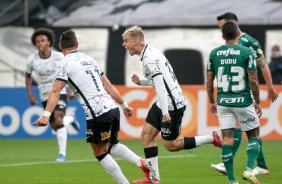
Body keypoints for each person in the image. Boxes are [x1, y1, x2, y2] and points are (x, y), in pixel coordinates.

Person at [32, 30, 156, 184]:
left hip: (97, 113)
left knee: (99, 151)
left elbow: (56, 90)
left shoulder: (64, 63)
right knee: (111, 145)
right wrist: (124, 104)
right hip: (112, 108)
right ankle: (142, 162)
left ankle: (126, 181)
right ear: (76, 45)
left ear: (60, 46)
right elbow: (108, 84)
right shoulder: (89, 59)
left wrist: (45, 114)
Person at [122, 26, 223, 183]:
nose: (124, 44)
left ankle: (212, 139)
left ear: (136, 41)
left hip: (171, 106)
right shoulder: (151, 52)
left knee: (171, 145)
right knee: (146, 135)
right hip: (164, 101)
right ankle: (154, 178)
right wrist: (141, 82)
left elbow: (161, 86)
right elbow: (162, 80)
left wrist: (165, 112)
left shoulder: (149, 58)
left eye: (126, 41)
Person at [211, 12, 279, 176]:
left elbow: (262, 65)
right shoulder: (226, 47)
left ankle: (239, 162)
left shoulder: (249, 42)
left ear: (232, 24)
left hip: (244, 93)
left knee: (245, 128)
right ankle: (260, 165)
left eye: (223, 26)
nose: (222, 30)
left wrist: (269, 87)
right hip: (232, 93)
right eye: (220, 27)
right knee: (245, 129)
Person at [206, 20, 262, 184]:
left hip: (223, 102)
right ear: (238, 34)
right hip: (243, 101)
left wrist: (211, 101)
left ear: (223, 36)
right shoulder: (247, 52)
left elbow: (209, 82)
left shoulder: (214, 53)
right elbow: (253, 79)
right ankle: (249, 170)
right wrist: (257, 101)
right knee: (254, 135)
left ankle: (232, 180)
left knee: (227, 139)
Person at [25, 28, 80, 162]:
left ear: (49, 42)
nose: (41, 43)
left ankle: (62, 154)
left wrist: (72, 89)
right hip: (45, 96)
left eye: (43, 40)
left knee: (58, 118)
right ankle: (71, 119)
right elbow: (27, 77)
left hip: (59, 92)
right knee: (56, 126)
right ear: (35, 44)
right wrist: (31, 95)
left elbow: (71, 71)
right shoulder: (31, 60)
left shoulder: (59, 56)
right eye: (38, 41)